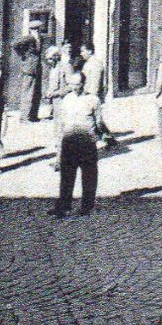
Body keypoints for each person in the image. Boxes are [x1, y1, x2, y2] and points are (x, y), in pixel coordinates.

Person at [51, 71, 107, 216]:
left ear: (83, 83)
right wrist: (58, 147)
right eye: (71, 84)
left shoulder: (93, 100)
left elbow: (99, 121)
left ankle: (87, 206)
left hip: (87, 142)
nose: (74, 87)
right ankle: (64, 206)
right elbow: (62, 124)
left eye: (77, 84)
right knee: (67, 176)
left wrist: (103, 136)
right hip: (69, 141)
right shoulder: (66, 100)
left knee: (89, 176)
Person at [42, 45, 71, 169]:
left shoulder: (66, 67)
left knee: (62, 132)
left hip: (63, 103)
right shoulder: (53, 68)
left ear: (56, 56)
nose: (48, 61)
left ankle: (62, 161)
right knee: (57, 132)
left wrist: (57, 93)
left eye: (49, 59)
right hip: (55, 103)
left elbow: (71, 86)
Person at [13, 24, 45, 122]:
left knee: (36, 93)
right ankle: (24, 117)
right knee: (27, 93)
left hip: (37, 68)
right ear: (31, 29)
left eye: (38, 29)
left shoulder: (40, 39)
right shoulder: (28, 38)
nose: (37, 31)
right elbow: (15, 45)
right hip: (29, 68)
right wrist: (23, 56)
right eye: (35, 29)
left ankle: (33, 116)